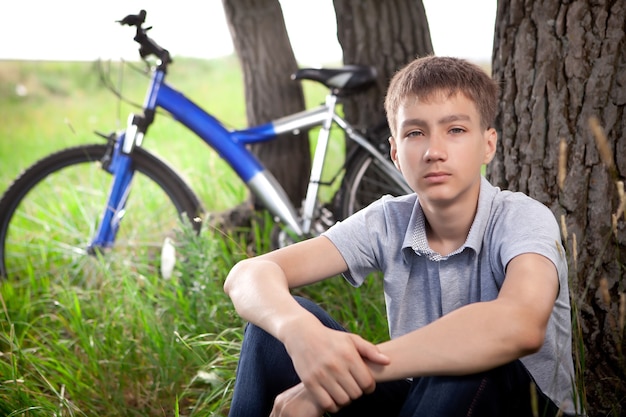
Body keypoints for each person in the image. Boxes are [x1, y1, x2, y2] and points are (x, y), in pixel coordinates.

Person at [223, 55, 581, 417]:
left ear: (488, 145)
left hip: (520, 405)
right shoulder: (388, 220)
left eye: (455, 130)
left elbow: (519, 325)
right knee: (273, 329)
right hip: (422, 403)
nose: (433, 152)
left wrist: (335, 375)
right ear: (395, 153)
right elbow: (248, 275)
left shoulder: (522, 217)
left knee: (471, 356)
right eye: (415, 133)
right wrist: (299, 333)